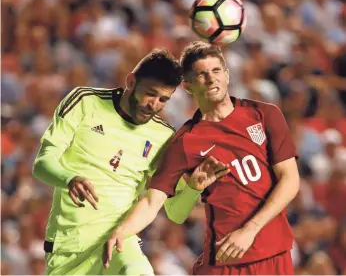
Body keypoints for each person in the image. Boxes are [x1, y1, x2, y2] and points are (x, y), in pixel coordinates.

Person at [103, 41, 300, 275]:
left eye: (216, 71)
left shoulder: (265, 114)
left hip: (274, 253)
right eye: (201, 74)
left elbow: (290, 180)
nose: (211, 78)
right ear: (187, 86)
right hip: (225, 260)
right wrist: (122, 230)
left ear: (226, 75)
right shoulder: (185, 141)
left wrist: (250, 230)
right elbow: (159, 206)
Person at [32, 48, 229, 275]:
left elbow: (175, 212)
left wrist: (193, 189)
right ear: (131, 81)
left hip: (120, 241)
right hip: (68, 247)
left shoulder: (165, 137)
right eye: (150, 93)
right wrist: (69, 179)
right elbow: (42, 163)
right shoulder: (85, 101)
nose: (154, 104)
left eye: (163, 99)